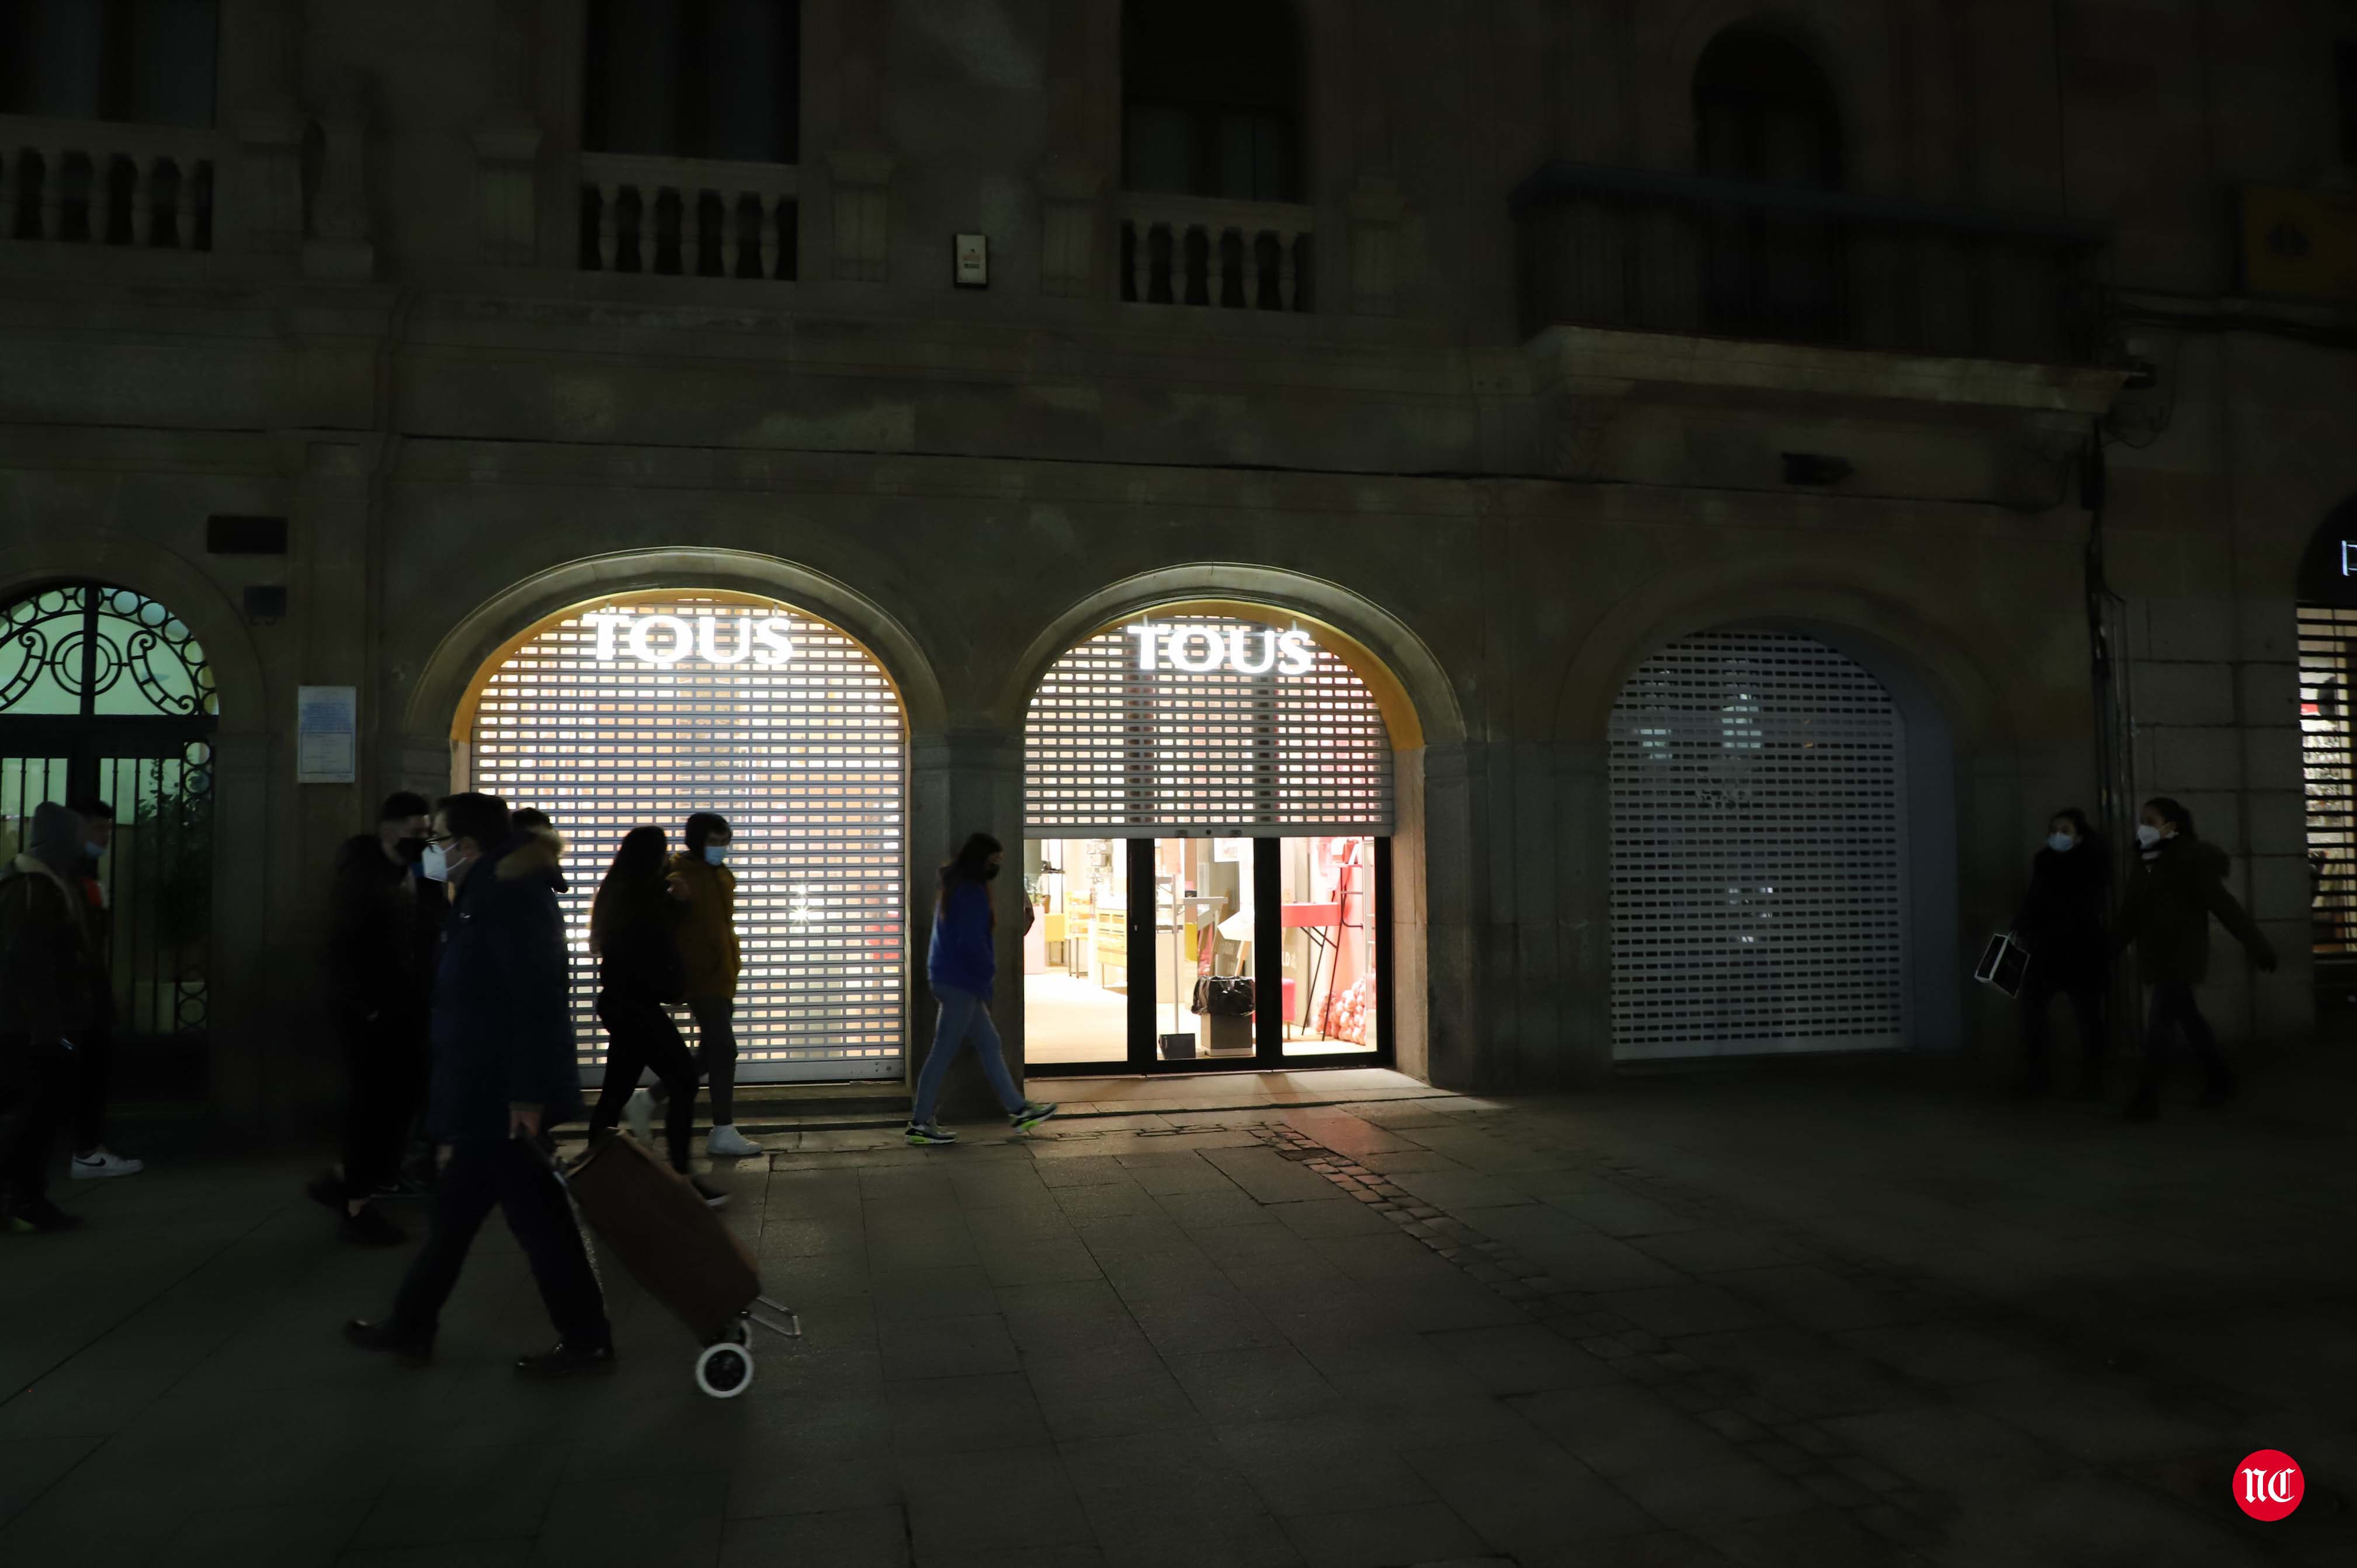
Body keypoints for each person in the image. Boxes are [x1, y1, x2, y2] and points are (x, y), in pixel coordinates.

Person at [343, 793, 613, 1375]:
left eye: (438, 839)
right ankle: (412, 1325)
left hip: (503, 1098)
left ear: (466, 845)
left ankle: (586, 1339)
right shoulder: (482, 892)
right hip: (482, 1093)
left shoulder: (508, 895)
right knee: (457, 1219)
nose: (431, 850)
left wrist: (528, 1095)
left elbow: (536, 1000)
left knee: (538, 1225)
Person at [307, 791, 436, 1245]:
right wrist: (369, 1008)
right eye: (416, 833)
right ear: (389, 830)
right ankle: (356, 1205)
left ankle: (350, 1183)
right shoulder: (361, 879)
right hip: (370, 1014)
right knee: (373, 1105)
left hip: (400, 1010)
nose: (424, 841)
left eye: (427, 832)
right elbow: (340, 950)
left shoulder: (410, 873)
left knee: (399, 1100)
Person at [2113, 797, 2278, 1122]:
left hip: (2181, 955)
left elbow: (2225, 907)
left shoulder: (2189, 861)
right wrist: (2109, 948)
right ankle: (2220, 1078)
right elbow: (2131, 915)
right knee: (2189, 1019)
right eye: (2142, 820)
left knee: (2160, 1024)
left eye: (2151, 820)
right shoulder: (2146, 862)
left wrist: (2258, 946)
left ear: (2171, 826)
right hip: (2157, 954)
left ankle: (2147, 1096)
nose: (2144, 827)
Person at [586, 827, 725, 1207]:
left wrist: (677, 902)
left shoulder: (624, 893)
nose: (668, 859)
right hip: (636, 1005)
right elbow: (653, 947)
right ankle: (681, 1176)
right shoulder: (640, 898)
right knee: (683, 1079)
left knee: (616, 1088)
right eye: (663, 853)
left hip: (623, 1004)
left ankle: (596, 1174)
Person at [906, 832, 1058, 1146]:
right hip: (960, 982)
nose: (998, 866)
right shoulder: (970, 892)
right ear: (981, 860)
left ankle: (1019, 1110)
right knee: (943, 1052)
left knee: (989, 1043)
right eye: (995, 861)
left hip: (951, 978)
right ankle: (920, 1122)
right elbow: (972, 944)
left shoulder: (956, 886)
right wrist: (983, 981)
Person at [0, 804, 99, 1232]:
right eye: (77, 839)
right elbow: (29, 958)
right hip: (34, 1027)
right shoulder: (34, 888)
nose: (84, 847)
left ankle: (21, 1196)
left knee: (34, 1110)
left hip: (37, 1023)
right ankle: (24, 1197)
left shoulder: (45, 884)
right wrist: (48, 1024)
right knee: (37, 1111)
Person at [664, 812, 762, 1158]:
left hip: (723, 975)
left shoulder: (722, 875)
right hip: (698, 976)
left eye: (725, 843)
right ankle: (723, 1129)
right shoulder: (677, 872)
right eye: (714, 843)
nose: (720, 849)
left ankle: (647, 1100)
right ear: (696, 841)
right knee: (724, 1050)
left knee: (709, 1052)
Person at [2010, 807, 2112, 1099]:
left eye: (2065, 831)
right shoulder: (2044, 862)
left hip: (2080, 951)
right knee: (2033, 1011)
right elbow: (2034, 899)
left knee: (2087, 1016)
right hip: (2047, 951)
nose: (2057, 836)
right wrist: (2022, 927)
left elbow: (2082, 906)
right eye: (2054, 830)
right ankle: (2038, 1076)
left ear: (2079, 836)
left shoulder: (2091, 865)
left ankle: (2092, 1079)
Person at [65, 798, 141, 1179]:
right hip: (76, 997)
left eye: (109, 829)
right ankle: (85, 1150)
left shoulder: (86, 873)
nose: (106, 836)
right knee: (83, 1072)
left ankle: (88, 1147)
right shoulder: (68, 875)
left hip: (87, 992)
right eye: (99, 829)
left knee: (90, 1070)